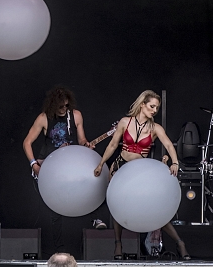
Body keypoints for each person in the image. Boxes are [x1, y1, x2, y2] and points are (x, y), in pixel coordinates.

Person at [93, 90, 190, 260]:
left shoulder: (155, 128)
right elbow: (113, 145)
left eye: (157, 108)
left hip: (140, 172)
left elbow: (168, 145)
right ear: (142, 104)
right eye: (152, 106)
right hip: (120, 167)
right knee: (117, 206)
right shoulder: (125, 122)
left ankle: (179, 242)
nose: (154, 110)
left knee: (154, 208)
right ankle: (118, 244)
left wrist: (175, 162)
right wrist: (101, 164)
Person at [23, 86, 98, 253]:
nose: (64, 109)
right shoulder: (44, 118)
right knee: (54, 207)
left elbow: (81, 139)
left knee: (86, 185)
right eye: (61, 106)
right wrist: (34, 164)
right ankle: (59, 249)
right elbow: (26, 142)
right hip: (50, 165)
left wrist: (86, 144)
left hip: (69, 163)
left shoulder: (76, 115)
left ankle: (94, 218)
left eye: (66, 105)